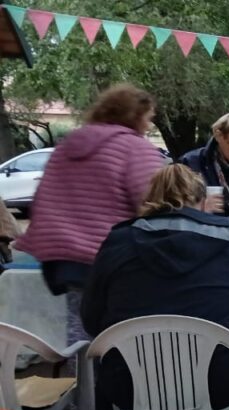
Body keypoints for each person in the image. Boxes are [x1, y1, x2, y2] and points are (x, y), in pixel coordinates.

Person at [80, 165, 229, 410]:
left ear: (150, 199)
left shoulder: (118, 242)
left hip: (130, 382)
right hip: (218, 380)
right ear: (201, 201)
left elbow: (91, 317)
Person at [16, 84, 165, 349]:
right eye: (148, 118)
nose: (149, 125)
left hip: (64, 259)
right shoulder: (134, 148)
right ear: (135, 115)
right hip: (114, 258)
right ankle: (119, 375)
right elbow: (154, 202)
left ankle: (83, 373)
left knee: (81, 329)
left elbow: (42, 197)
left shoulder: (68, 146)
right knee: (124, 333)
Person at [0, 198, 19, 266]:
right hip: (5, 228)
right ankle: (9, 263)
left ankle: (8, 264)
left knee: (2, 243)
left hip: (4, 228)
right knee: (3, 244)